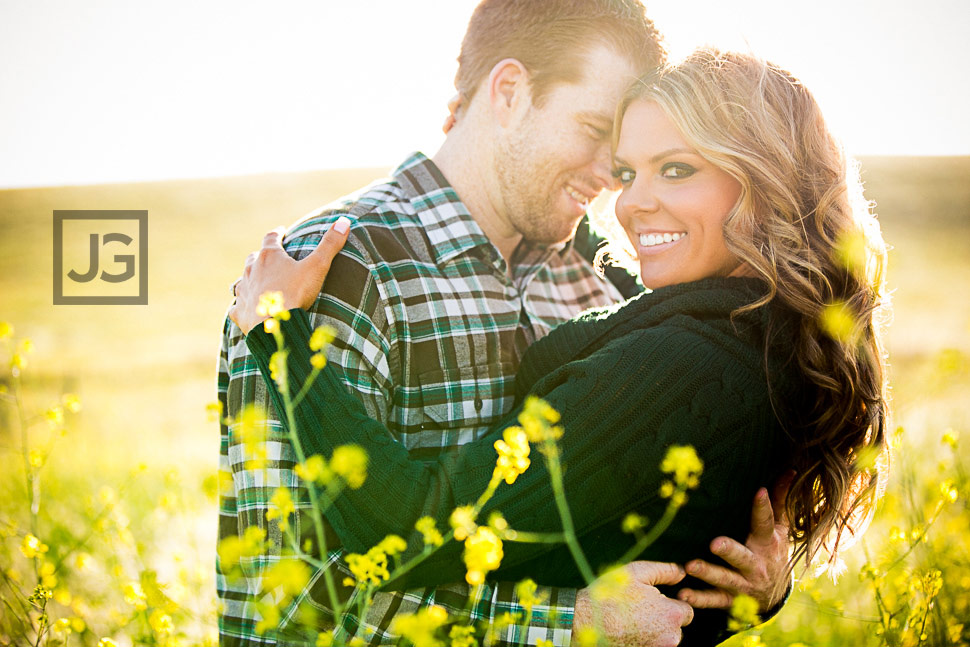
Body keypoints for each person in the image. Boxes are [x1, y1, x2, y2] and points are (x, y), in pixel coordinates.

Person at [230, 49, 890, 644]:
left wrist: (276, 330)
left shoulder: (685, 362)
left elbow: (410, 531)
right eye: (629, 170)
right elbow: (697, 578)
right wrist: (761, 596)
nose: (628, 201)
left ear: (764, 182)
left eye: (678, 169)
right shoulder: (771, 332)